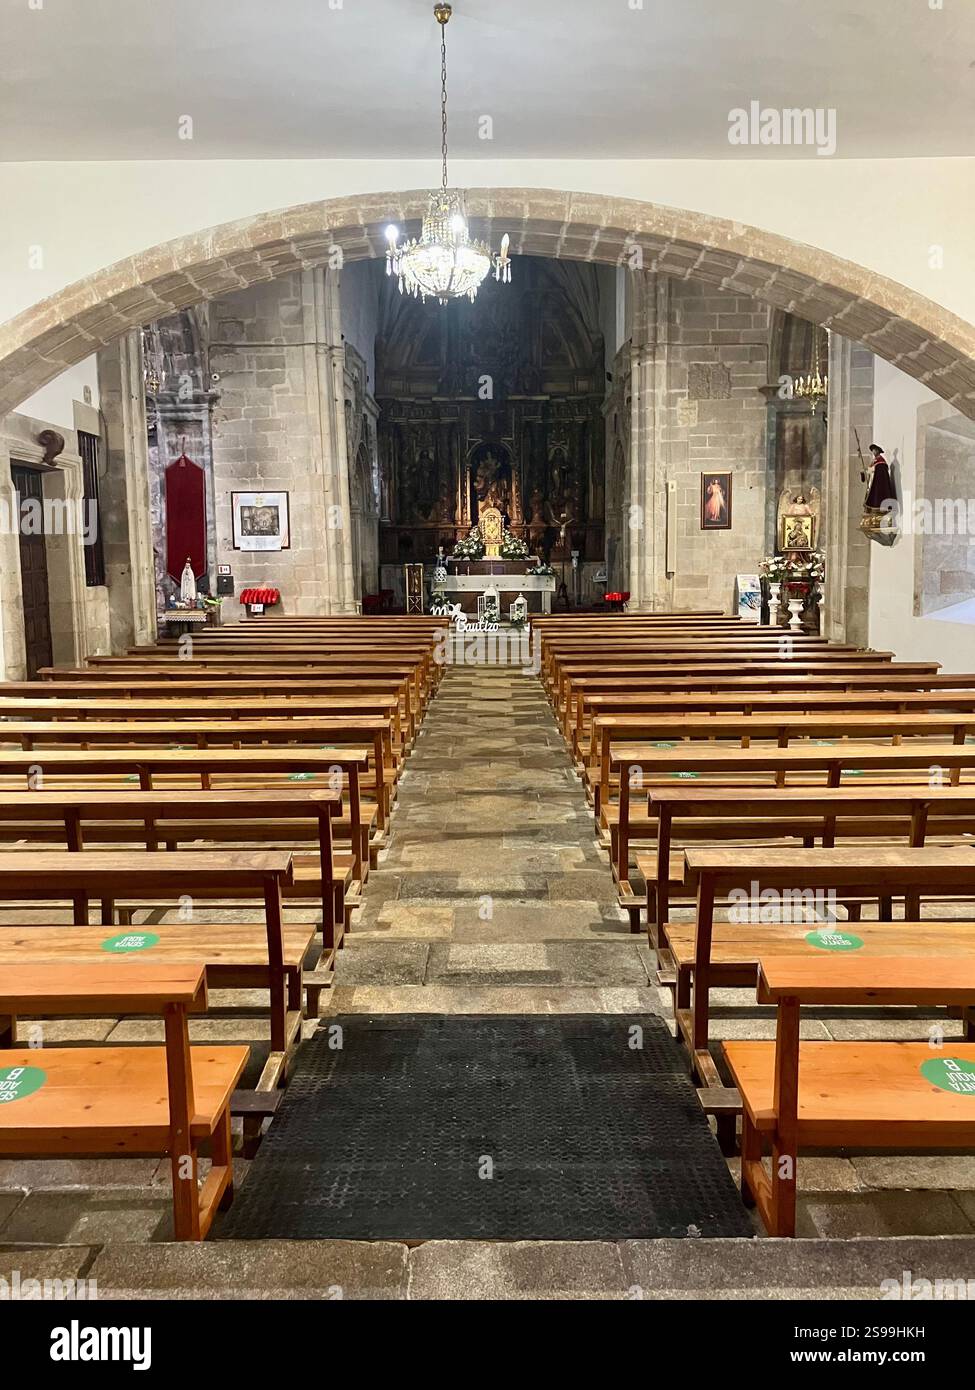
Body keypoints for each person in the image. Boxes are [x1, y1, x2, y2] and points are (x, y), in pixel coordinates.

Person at [865, 444, 896, 509]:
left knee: (878, 496)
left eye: (874, 450)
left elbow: (879, 472)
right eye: (872, 451)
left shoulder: (881, 461)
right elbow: (870, 471)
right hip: (873, 483)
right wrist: (865, 471)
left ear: (878, 451)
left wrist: (871, 469)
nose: (873, 452)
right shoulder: (874, 460)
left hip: (879, 485)